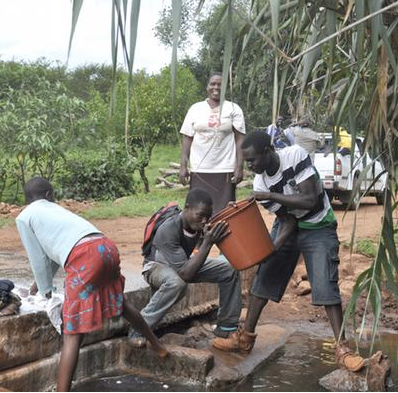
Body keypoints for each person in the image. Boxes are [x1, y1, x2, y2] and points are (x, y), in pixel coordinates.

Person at [212, 131, 365, 373]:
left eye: (252, 160)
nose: (249, 166)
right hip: (291, 226)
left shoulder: (295, 156)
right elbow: (287, 221)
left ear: (267, 151)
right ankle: (245, 338)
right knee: (265, 275)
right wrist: (271, 250)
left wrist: (271, 195)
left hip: (318, 224)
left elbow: (310, 200)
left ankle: (342, 348)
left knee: (326, 282)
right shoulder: (260, 182)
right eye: (246, 161)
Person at [16, 177, 167, 392]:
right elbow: (51, 255)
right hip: (106, 248)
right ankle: (158, 346)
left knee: (72, 332)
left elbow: (37, 258)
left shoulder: (25, 217)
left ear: (26, 200)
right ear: (49, 195)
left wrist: (45, 292)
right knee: (120, 304)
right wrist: (37, 284)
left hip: (84, 257)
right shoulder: (56, 212)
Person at [129, 188, 242, 346]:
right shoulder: (169, 229)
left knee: (229, 269)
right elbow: (185, 275)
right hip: (155, 267)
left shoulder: (199, 222)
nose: (204, 221)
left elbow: (221, 225)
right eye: (200, 215)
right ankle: (138, 329)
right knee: (177, 283)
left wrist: (230, 213)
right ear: (187, 208)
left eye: (207, 217)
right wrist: (208, 243)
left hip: (182, 263)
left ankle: (226, 327)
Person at [179, 72, 246, 215]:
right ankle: (201, 238)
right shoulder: (195, 109)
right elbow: (187, 138)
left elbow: (240, 139)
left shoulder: (233, 109)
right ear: (207, 87)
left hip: (225, 169)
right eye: (213, 84)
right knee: (198, 211)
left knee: (225, 212)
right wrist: (183, 166)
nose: (216, 87)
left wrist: (239, 166)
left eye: (220, 85)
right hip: (200, 169)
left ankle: (223, 238)